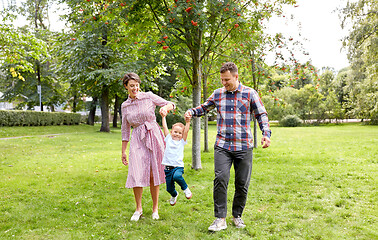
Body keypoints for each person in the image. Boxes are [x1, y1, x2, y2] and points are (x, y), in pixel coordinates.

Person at [185, 62, 271, 231]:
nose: (224, 83)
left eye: (227, 80)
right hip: (223, 145)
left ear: (236, 76)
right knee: (220, 179)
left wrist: (266, 134)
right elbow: (204, 107)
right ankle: (220, 218)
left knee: (241, 183)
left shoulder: (249, 93)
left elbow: (261, 114)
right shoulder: (218, 94)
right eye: (222, 80)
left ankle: (237, 216)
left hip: (244, 146)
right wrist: (192, 112)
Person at [121, 72, 175, 221]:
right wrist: (123, 151)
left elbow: (170, 104)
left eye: (137, 85)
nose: (135, 88)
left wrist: (166, 109)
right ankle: (138, 209)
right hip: (137, 138)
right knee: (136, 172)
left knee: (153, 173)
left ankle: (155, 209)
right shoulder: (125, 105)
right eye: (132, 86)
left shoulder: (149, 96)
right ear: (126, 86)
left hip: (153, 135)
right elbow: (125, 129)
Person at [160, 113, 192, 206]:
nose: (177, 134)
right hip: (168, 168)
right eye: (175, 132)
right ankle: (174, 195)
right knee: (169, 189)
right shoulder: (168, 139)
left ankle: (186, 189)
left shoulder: (182, 142)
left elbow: (186, 131)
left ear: (182, 135)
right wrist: (163, 117)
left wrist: (188, 122)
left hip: (178, 166)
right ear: (171, 132)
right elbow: (164, 127)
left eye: (179, 133)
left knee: (177, 176)